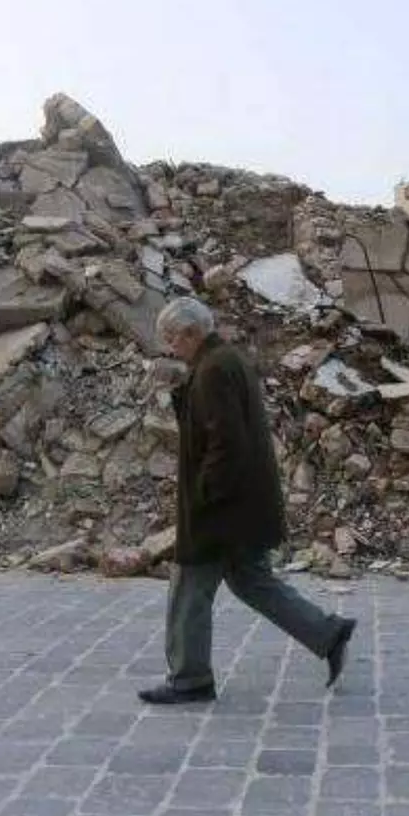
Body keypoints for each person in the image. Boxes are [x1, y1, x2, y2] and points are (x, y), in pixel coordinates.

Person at [139, 297, 356, 705]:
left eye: (172, 338)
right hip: (243, 504)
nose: (170, 346)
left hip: (223, 509)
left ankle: (189, 679)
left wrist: (203, 497)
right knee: (252, 581)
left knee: (189, 587)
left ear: (191, 332)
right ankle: (327, 633)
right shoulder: (221, 360)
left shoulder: (214, 368)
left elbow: (226, 443)